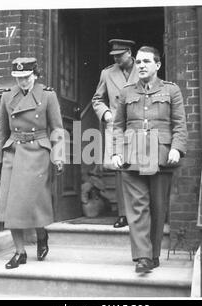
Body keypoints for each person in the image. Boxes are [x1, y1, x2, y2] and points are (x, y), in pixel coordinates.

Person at [112, 46, 187, 273]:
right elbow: (118, 126)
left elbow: (180, 125)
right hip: (132, 155)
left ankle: (153, 255)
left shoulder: (171, 91)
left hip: (161, 155)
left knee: (157, 207)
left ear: (158, 65)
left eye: (146, 61)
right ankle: (143, 257)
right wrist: (116, 152)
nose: (141, 65)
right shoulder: (126, 92)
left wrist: (177, 148)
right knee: (137, 208)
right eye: (139, 62)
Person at [0, 57, 64, 269]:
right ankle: (20, 252)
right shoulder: (7, 97)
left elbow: (58, 128)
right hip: (13, 151)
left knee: (34, 202)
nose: (22, 82)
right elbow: (1, 133)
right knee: (10, 203)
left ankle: (41, 235)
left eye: (26, 77)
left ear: (35, 74)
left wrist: (59, 157)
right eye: (19, 78)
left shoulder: (48, 95)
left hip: (37, 152)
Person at [92, 39, 139, 228]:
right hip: (117, 126)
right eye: (114, 56)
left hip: (139, 126)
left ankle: (139, 213)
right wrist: (106, 113)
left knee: (140, 169)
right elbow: (97, 99)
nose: (117, 59)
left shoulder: (144, 68)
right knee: (120, 172)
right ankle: (123, 214)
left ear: (129, 52)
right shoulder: (107, 73)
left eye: (120, 55)